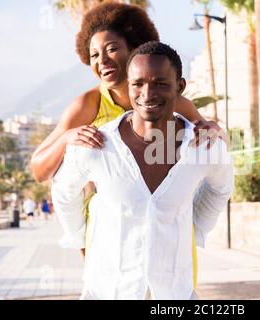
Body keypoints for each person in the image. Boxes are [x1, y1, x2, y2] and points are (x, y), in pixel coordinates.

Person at [29, 3, 228, 280]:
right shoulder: (89, 105)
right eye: (94, 54)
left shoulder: (174, 102)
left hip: (167, 227)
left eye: (111, 49)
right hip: (108, 232)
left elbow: (218, 149)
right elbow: (39, 170)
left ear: (134, 48)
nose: (102, 61)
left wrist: (213, 128)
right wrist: (65, 138)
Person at [51, 41, 234, 300]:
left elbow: (222, 187)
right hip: (108, 291)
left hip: (174, 294)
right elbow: (63, 191)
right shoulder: (96, 144)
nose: (147, 94)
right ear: (128, 84)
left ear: (179, 87)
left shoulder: (203, 145)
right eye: (138, 84)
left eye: (160, 83)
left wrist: (197, 227)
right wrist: (80, 237)